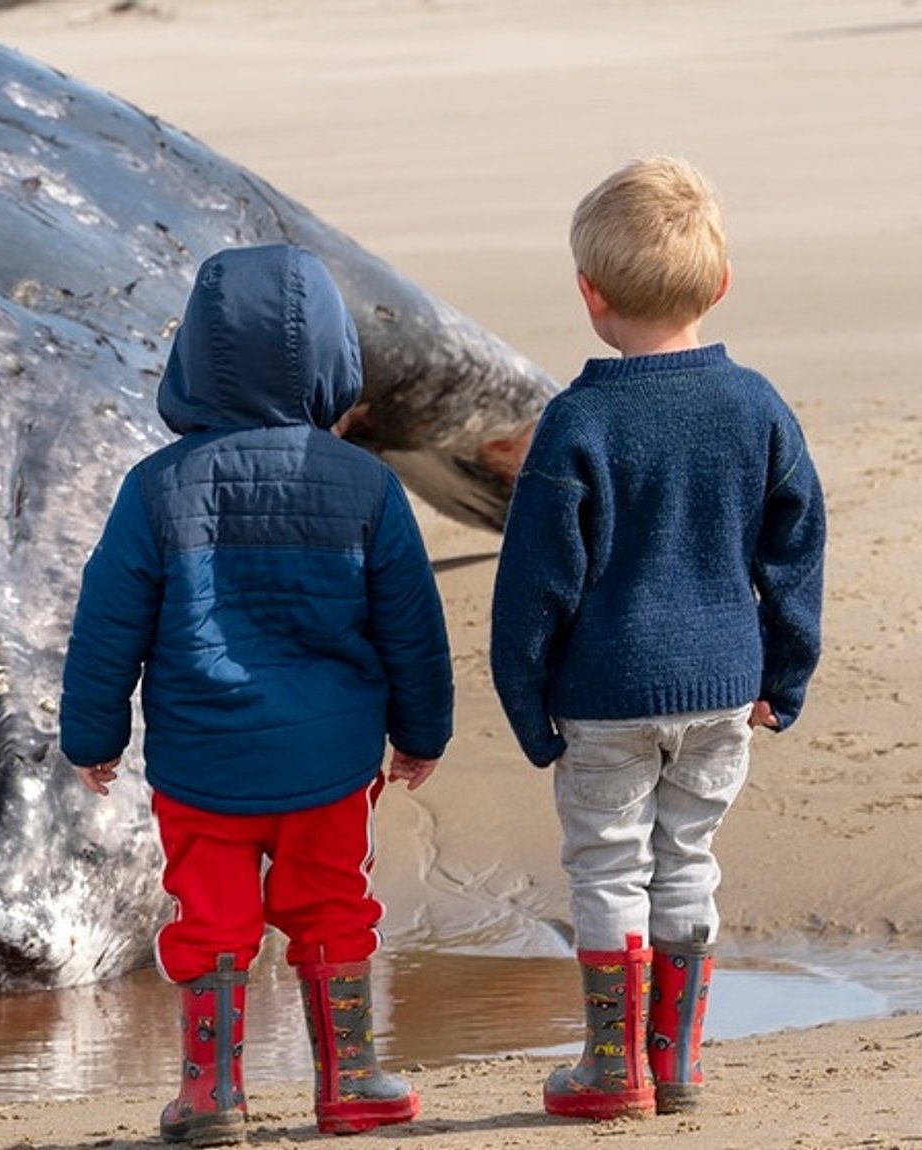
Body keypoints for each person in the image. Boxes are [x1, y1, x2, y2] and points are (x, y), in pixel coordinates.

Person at [59, 243, 453, 1143]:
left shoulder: (156, 490)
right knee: (333, 908)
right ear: (332, 361)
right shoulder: (366, 487)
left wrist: (93, 738)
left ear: (192, 362)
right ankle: (350, 1081)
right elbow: (411, 628)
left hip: (203, 767)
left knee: (213, 918)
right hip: (329, 764)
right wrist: (421, 732)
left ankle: (212, 1095)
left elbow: (107, 623)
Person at [490, 155, 825, 1121]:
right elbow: (796, 550)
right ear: (720, 286)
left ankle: (612, 1069)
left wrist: (527, 702)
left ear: (590, 297)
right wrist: (785, 672)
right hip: (725, 683)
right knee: (687, 859)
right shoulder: (755, 405)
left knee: (606, 864)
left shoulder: (577, 420)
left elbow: (534, 585)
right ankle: (673, 1065)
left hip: (603, 694)